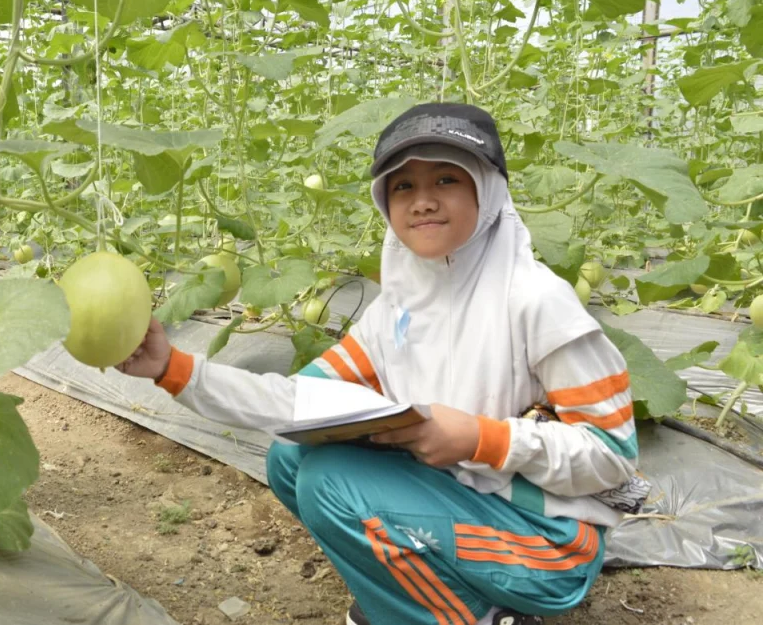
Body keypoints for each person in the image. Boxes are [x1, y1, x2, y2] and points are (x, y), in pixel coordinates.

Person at [115, 103, 645, 625]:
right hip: (466, 499)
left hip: (548, 542)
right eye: (403, 186)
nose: (422, 202)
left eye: (446, 180)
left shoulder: (537, 302)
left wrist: (480, 438)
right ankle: (432, 601)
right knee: (291, 458)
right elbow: (295, 400)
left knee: (330, 483)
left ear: (487, 191)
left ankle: (470, 615)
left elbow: (612, 456)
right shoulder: (395, 311)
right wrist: (174, 367)